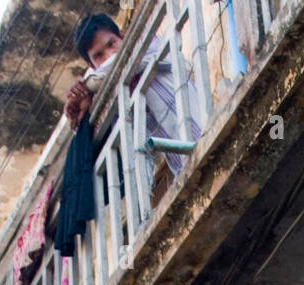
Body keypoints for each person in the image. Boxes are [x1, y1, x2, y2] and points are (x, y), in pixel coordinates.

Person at [64, 12, 202, 178]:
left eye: (111, 44)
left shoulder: (150, 45)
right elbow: (92, 148)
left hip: (207, 135)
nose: (110, 55)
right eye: (99, 56)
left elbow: (117, 65)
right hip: (186, 171)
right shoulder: (116, 96)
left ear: (123, 36)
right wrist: (84, 109)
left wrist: (86, 86)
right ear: (91, 65)